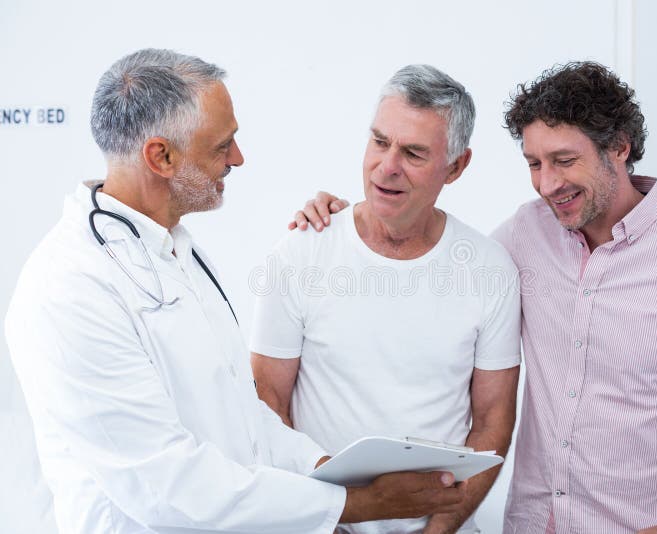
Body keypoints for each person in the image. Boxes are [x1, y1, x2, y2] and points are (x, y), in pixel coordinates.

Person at [291, 61, 657, 534]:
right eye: (534, 163)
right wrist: (343, 219)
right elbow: (432, 259)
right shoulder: (526, 234)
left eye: (564, 160)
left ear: (619, 148)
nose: (548, 184)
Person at [4, 49, 468, 534]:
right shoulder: (70, 287)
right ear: (161, 156)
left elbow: (242, 415)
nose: (238, 158)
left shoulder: (172, 247)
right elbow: (166, 487)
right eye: (222, 145)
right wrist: (353, 504)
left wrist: (328, 465)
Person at [249, 65, 521, 534]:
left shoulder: (489, 269)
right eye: (379, 142)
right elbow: (266, 400)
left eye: (414, 153)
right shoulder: (302, 250)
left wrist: (438, 531)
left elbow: (493, 425)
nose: (386, 166)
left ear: (456, 166)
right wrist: (323, 518)